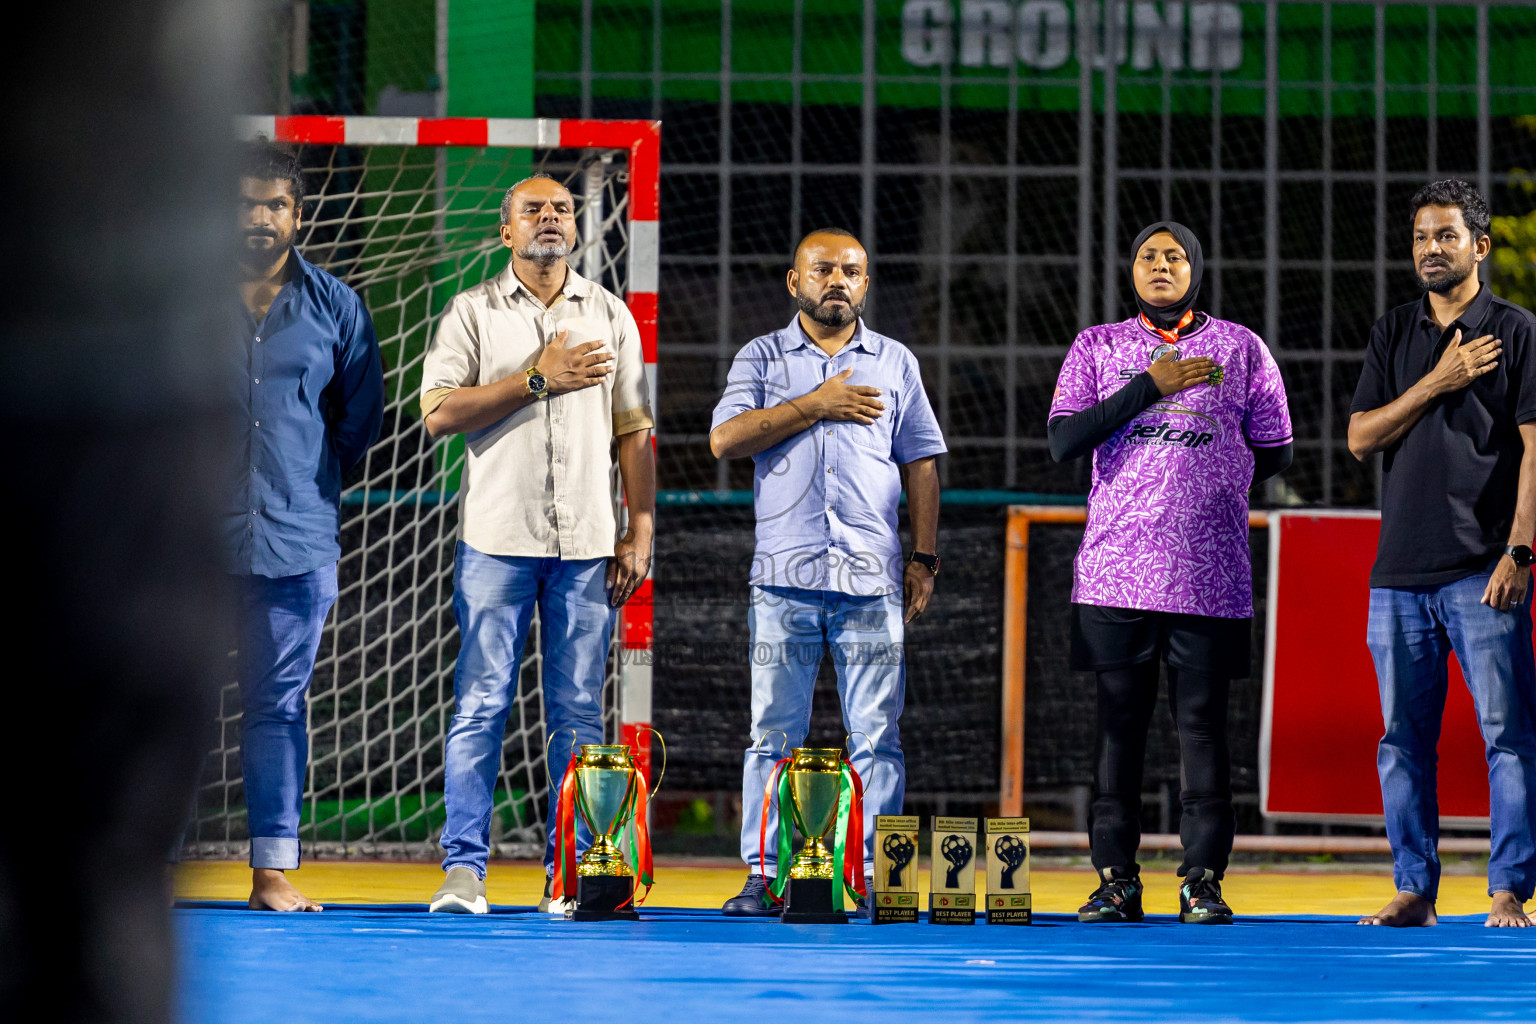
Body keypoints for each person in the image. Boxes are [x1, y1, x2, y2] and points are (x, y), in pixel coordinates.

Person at [421, 174, 655, 915]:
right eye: (533, 209)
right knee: (482, 703)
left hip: (588, 543)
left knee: (580, 714)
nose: (549, 217)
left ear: (576, 231)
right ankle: (464, 872)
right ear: (506, 231)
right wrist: (534, 378)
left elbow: (633, 429)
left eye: (560, 209)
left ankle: (576, 872)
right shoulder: (472, 313)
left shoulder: (611, 314)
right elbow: (437, 413)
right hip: (496, 541)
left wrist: (640, 524)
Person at [1048, 220, 1293, 925]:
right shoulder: (1098, 345)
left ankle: (1202, 881)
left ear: (1196, 268)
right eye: (1148, 256)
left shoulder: (1240, 347)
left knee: (1202, 729)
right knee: (1118, 728)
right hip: (1116, 573)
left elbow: (1275, 449)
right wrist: (1147, 389)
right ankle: (1116, 881)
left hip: (1208, 574)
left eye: (1175, 255)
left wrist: (1213, 477)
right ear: (1130, 270)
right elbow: (1065, 439)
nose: (1161, 265)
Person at [710, 227, 946, 917]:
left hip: (871, 581)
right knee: (771, 734)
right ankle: (766, 875)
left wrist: (923, 557)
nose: (837, 280)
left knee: (877, 734)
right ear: (795, 282)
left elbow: (922, 463)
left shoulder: (895, 362)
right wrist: (814, 404)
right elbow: (725, 439)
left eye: (851, 271)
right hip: (783, 580)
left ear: (866, 284)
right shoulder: (761, 356)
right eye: (823, 270)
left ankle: (868, 875)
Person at [1348, 179, 1536, 929]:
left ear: (1479, 247)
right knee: (1401, 743)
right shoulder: (1395, 333)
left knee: (1509, 739)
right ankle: (1415, 890)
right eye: (1422, 237)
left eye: (1446, 236)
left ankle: (1509, 890)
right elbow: (1361, 438)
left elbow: (1535, 453)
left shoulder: (1517, 332)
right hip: (1397, 575)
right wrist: (1438, 381)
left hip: (1482, 569)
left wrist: (1520, 551)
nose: (1430, 248)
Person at [231, 141, 386, 911]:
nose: (260, 217)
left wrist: (301, 484)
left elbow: (359, 420)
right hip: (182, 543)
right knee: (159, 702)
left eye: (275, 205)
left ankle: (271, 873)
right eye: (246, 202)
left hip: (297, 540)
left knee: (278, 707)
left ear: (298, 214)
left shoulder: (337, 306)